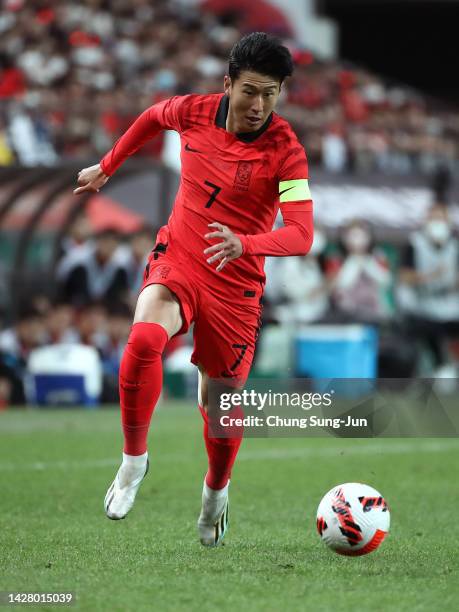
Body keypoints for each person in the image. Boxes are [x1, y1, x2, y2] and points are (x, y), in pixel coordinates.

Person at [74, 32, 313, 546]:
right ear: (228, 83)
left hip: (237, 284)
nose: (259, 105)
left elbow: (301, 232)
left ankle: (215, 494)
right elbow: (150, 118)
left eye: (271, 93)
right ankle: (134, 461)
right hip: (181, 255)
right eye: (251, 90)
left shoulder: (287, 152)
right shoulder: (194, 111)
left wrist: (246, 243)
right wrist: (106, 166)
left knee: (221, 410)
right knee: (142, 341)